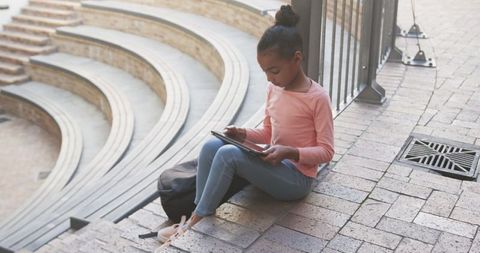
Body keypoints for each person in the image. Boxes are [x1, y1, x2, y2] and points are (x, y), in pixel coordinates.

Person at [157, 4, 334, 246]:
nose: (269, 78)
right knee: (212, 145)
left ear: (297, 58)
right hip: (275, 164)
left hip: (296, 180)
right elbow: (269, 132)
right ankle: (199, 207)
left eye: (274, 71)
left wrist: (290, 152)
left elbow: (326, 152)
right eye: (265, 72)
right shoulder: (275, 88)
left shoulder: (317, 98)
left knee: (229, 154)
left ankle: (196, 221)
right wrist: (243, 134)